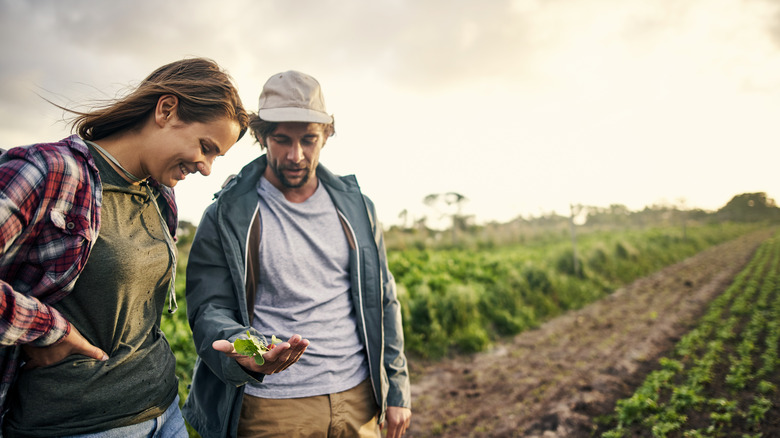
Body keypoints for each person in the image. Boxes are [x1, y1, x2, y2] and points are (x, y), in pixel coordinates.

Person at [0, 57, 249, 437]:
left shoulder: (160, 195)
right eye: (205, 146)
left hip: (165, 411)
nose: (206, 167)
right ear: (166, 109)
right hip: (75, 425)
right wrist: (49, 329)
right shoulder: (47, 170)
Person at [182, 70, 412, 438]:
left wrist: (396, 389)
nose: (296, 155)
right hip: (271, 407)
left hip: (358, 399)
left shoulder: (358, 208)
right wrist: (248, 350)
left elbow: (383, 299)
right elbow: (208, 308)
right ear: (260, 137)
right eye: (281, 140)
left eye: (309, 140)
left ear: (327, 136)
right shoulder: (227, 213)